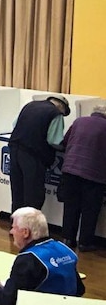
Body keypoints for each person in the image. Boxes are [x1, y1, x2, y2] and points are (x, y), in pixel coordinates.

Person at [9, 95, 69, 212]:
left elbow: (14, 124)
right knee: (33, 196)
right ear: (61, 106)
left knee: (18, 193)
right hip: (33, 155)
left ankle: (16, 227)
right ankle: (30, 228)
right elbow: (54, 140)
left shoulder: (29, 105)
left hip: (15, 149)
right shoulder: (55, 113)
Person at [60, 105, 106, 251]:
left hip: (70, 169)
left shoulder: (79, 121)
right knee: (90, 210)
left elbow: (65, 141)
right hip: (94, 173)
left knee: (71, 206)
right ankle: (85, 243)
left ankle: (68, 239)